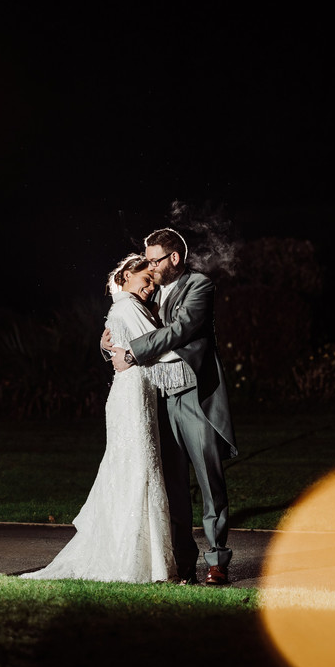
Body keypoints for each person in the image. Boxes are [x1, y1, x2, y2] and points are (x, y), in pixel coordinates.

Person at [21, 255, 177, 583]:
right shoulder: (129, 307)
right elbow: (163, 348)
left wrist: (109, 349)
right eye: (146, 279)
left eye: (153, 281)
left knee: (130, 469)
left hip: (130, 393)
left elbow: (124, 346)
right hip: (133, 396)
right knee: (138, 470)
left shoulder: (122, 306)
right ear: (126, 275)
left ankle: (134, 557)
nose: (151, 286)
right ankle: (138, 563)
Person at [104, 228, 238, 585]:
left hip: (194, 395)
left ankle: (217, 561)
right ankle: (183, 564)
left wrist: (131, 352)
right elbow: (130, 325)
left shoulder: (199, 286)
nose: (150, 267)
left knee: (210, 480)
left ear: (174, 258)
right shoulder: (150, 294)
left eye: (154, 260)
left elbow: (179, 330)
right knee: (173, 485)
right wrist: (110, 345)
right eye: (147, 260)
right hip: (160, 400)